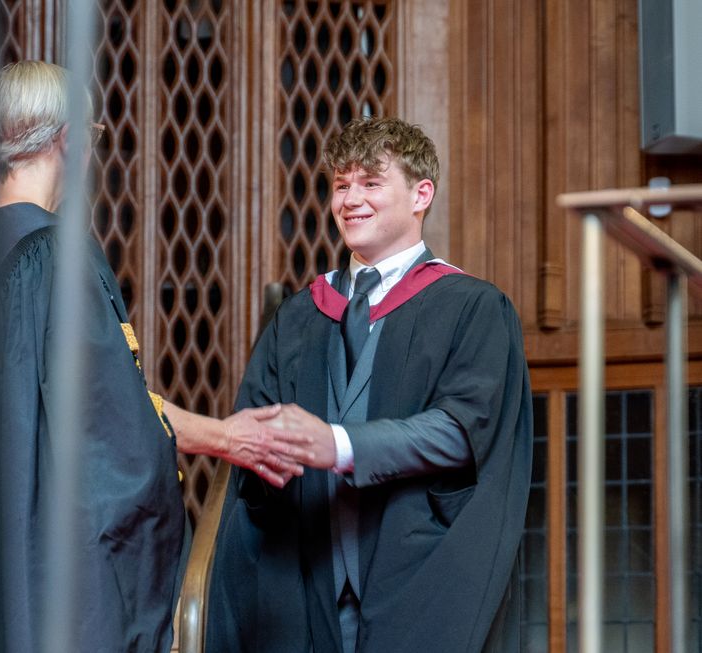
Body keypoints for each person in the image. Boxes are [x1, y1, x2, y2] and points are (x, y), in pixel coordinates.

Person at [0, 60, 307, 653]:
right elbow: (120, 435)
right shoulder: (55, 259)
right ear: (67, 140)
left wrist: (221, 435)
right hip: (62, 586)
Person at [207, 116, 533, 653]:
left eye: (371, 183)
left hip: (419, 578)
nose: (350, 199)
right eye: (341, 185)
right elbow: (253, 444)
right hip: (303, 577)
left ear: (420, 194)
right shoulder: (298, 317)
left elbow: (462, 431)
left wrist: (336, 445)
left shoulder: (472, 308)